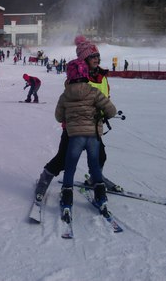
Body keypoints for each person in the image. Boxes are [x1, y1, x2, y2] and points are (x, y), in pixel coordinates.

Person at [34, 35, 118, 204]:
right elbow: (69, 101)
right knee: (63, 158)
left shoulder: (102, 76)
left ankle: (95, 178)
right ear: (83, 60)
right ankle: (44, 179)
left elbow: (105, 97)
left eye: (97, 56)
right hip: (73, 127)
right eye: (92, 57)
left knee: (100, 156)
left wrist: (104, 112)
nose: (97, 59)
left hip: (94, 126)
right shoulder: (75, 78)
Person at [56, 58, 117, 220]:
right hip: (93, 137)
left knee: (70, 167)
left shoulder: (65, 95)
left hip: (75, 137)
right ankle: (101, 198)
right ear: (85, 74)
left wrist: (70, 116)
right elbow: (111, 110)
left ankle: (67, 198)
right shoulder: (94, 92)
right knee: (94, 166)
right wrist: (99, 114)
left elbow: (58, 116)